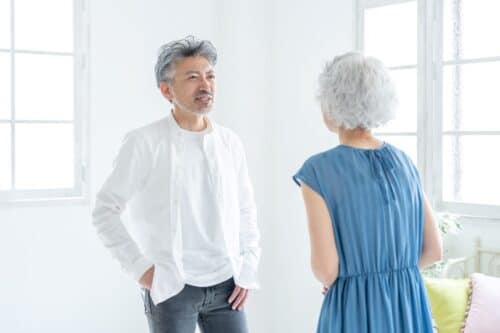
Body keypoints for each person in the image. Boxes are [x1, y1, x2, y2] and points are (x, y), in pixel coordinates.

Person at [92, 36, 260, 333]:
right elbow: (105, 210)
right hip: (172, 287)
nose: (205, 85)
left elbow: (246, 209)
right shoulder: (144, 142)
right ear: (166, 90)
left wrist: (247, 270)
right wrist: (141, 270)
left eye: (210, 76)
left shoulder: (229, 142)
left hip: (227, 286)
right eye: (193, 77)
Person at [293, 52, 442, 332]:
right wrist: (395, 276)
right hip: (408, 306)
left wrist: (358, 280)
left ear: (331, 104)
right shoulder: (404, 162)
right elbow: (434, 250)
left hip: (354, 309)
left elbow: (326, 269)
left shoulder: (318, 171)